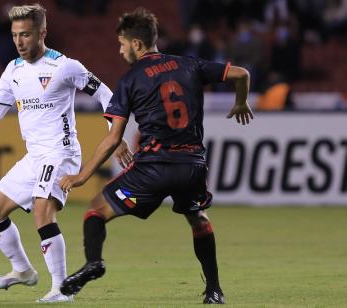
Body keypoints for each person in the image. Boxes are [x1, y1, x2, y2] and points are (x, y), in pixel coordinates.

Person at [0, 3, 132, 303]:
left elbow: (105, 94)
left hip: (61, 153)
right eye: (14, 35)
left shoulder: (64, 66)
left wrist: (116, 134)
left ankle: (61, 290)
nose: (19, 42)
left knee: (42, 211)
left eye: (25, 35)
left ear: (42, 33)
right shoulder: (13, 70)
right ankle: (22, 271)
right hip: (34, 156)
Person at [58, 7, 253, 304]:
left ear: (137, 44)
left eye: (122, 43)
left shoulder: (130, 79)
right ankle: (214, 290)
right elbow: (241, 74)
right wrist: (240, 103)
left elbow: (114, 138)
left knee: (95, 211)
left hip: (153, 169)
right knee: (198, 219)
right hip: (192, 166)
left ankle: (94, 263)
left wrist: (82, 176)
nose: (120, 50)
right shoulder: (189, 64)